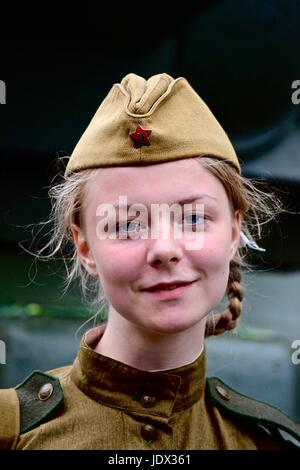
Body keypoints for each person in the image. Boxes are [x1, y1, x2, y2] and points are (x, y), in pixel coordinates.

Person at [1, 73, 299, 451]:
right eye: (127, 224)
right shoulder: (12, 433)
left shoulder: (264, 444)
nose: (163, 248)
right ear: (86, 247)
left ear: (234, 232)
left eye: (193, 218)